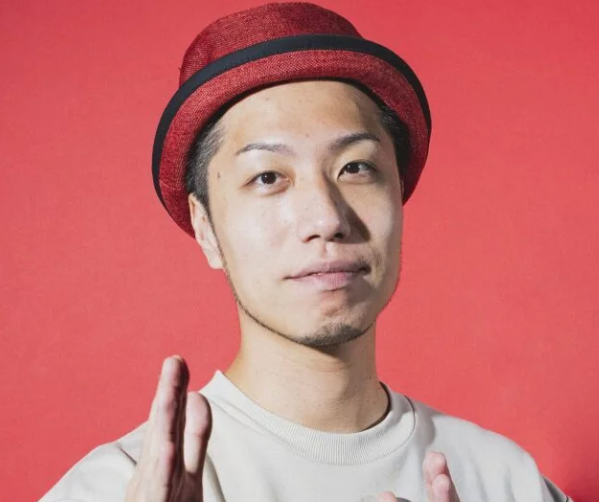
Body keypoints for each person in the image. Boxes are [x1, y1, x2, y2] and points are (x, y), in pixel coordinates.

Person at [39, 3, 572, 502]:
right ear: (206, 228)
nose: (326, 219)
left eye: (356, 168)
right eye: (268, 177)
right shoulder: (117, 486)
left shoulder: (507, 480)